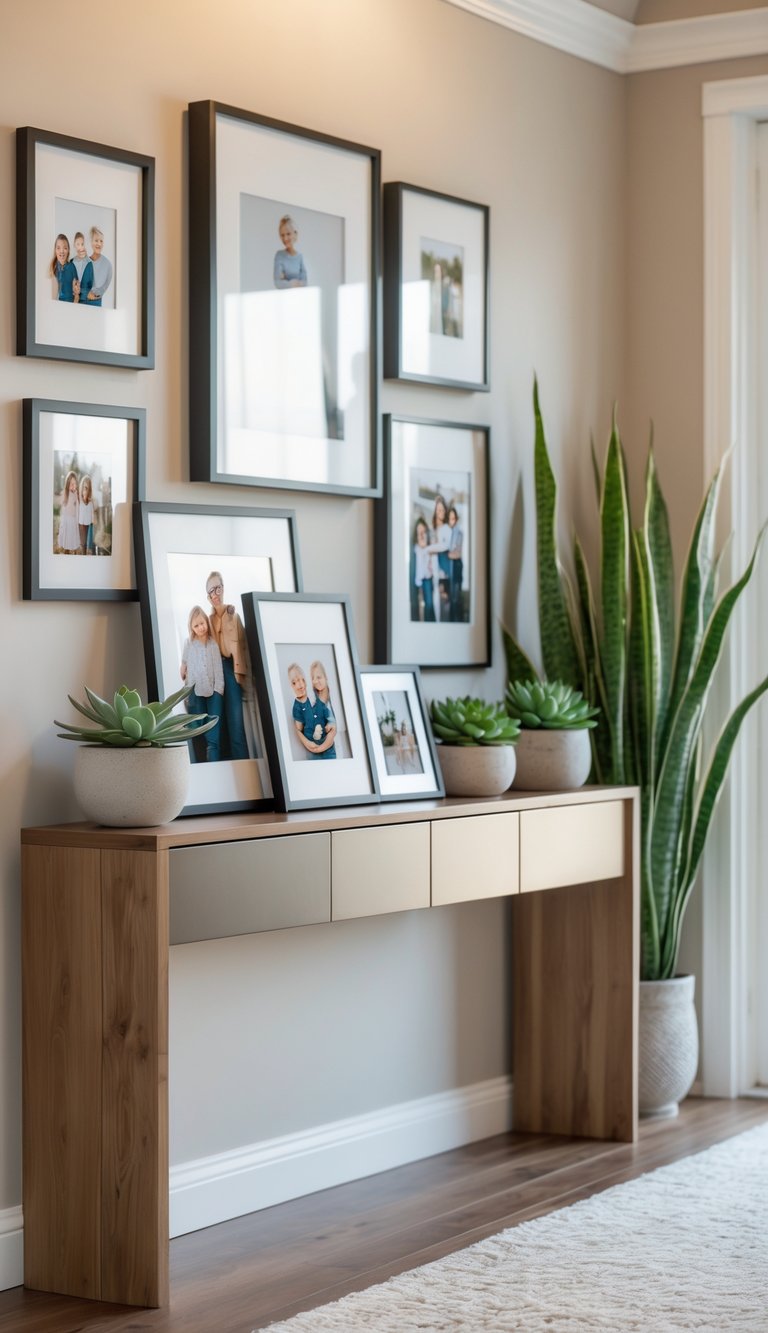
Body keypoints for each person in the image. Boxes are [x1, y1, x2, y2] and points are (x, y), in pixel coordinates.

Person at [205, 571, 249, 761]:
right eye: (210, 592)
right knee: (216, 726)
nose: (214, 594)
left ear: (223, 588)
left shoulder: (234, 616)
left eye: (217, 588)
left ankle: (244, 774)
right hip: (214, 672)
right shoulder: (207, 620)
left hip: (232, 671)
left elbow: (245, 649)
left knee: (236, 726)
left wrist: (247, 682)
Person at [180, 606, 224, 763]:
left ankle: (214, 763)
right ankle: (195, 763)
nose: (200, 628)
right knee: (196, 728)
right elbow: (184, 663)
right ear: (191, 628)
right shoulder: (189, 643)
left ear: (206, 621)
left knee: (213, 733)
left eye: (202, 623)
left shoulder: (213, 644)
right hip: (195, 692)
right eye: (196, 625)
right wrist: (183, 669)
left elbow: (218, 670)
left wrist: (218, 691)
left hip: (213, 692)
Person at [288, 663, 336, 759]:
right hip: (313, 752)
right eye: (294, 683)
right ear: (291, 686)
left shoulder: (315, 698)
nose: (300, 685)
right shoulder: (297, 706)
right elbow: (298, 728)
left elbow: (329, 720)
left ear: (306, 682)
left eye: (302, 680)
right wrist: (307, 742)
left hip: (328, 749)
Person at [426, 495, 451, 621]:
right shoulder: (433, 529)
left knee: (444, 599)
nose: (440, 513)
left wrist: (429, 549)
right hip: (434, 569)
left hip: (443, 570)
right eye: (438, 510)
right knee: (435, 598)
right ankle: (436, 622)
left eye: (442, 510)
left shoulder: (447, 529)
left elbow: (444, 546)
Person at [273, 214, 307, 289]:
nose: (285, 238)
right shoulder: (279, 255)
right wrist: (293, 283)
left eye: (288, 234)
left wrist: (286, 280)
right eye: (282, 235)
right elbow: (278, 282)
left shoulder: (299, 256)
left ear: (295, 233)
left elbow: (305, 282)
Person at [412, 516, 435, 622]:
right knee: (417, 605)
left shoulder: (430, 548)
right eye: (419, 532)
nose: (421, 534)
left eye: (423, 531)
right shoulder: (415, 549)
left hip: (428, 578)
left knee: (429, 604)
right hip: (417, 580)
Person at [84, 226, 113, 306]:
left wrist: (95, 295)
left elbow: (105, 285)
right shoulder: (85, 262)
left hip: (96, 303)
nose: (99, 244)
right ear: (91, 242)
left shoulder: (107, 264)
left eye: (101, 241)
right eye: (96, 240)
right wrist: (86, 294)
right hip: (82, 302)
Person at [447, 504, 465, 621]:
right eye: (449, 518)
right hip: (449, 567)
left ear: (456, 519)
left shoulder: (459, 533)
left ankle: (456, 621)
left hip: (456, 566)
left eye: (453, 518)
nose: (451, 521)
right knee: (451, 597)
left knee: (455, 597)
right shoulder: (446, 531)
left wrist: (448, 554)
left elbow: (457, 553)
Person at [49, 234, 77, 302]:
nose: (61, 251)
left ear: (68, 250)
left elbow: (76, 293)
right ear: (55, 250)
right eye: (58, 248)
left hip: (70, 305)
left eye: (65, 248)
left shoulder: (72, 267)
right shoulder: (53, 268)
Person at [57, 469, 80, 553]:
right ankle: (66, 551)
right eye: (71, 484)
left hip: (73, 520)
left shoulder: (76, 494)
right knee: (67, 538)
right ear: (67, 484)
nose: (73, 486)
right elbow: (62, 509)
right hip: (67, 520)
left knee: (73, 539)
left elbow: (77, 506)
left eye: (74, 484)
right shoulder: (65, 493)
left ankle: (72, 551)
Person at [71, 231, 94, 305]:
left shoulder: (89, 263)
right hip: (73, 300)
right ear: (74, 245)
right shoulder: (71, 262)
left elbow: (92, 286)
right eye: (78, 244)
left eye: (82, 244)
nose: (80, 247)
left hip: (85, 300)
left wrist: (81, 291)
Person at [78, 475, 95, 555]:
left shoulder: (90, 502)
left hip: (88, 524)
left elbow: (92, 514)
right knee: (82, 543)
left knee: (86, 544)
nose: (85, 490)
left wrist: (92, 521)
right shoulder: (79, 501)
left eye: (87, 488)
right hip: (80, 524)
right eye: (84, 488)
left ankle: (85, 553)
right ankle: (82, 552)